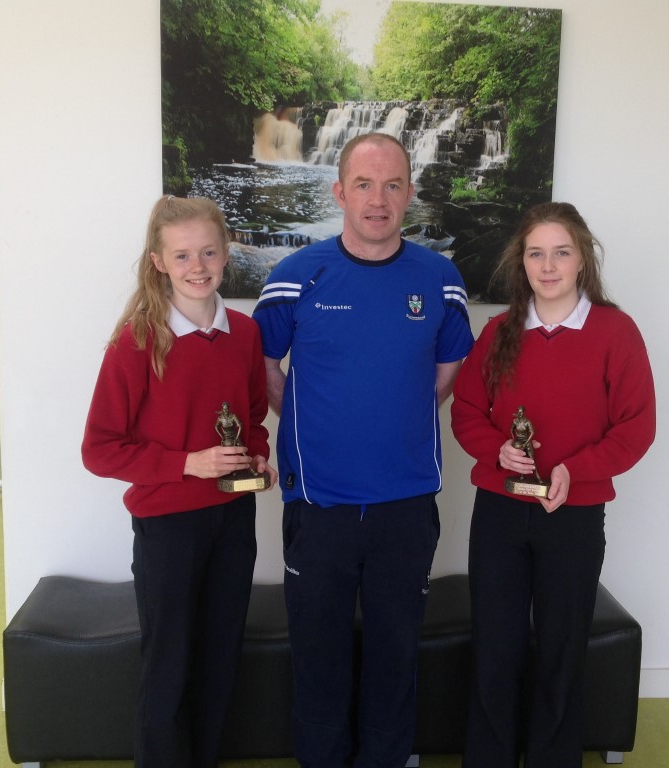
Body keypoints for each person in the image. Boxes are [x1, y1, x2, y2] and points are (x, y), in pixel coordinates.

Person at [252, 132, 474, 768]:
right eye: (365, 185)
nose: (379, 200)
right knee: (318, 657)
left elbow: (447, 369)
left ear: (409, 192)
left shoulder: (440, 279)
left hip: (406, 504)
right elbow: (264, 365)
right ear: (339, 192)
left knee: (394, 656)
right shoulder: (295, 275)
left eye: (392, 185)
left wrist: (398, 417)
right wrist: (308, 420)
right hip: (318, 504)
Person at [450, 202, 656, 768]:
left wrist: (575, 470)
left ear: (582, 258)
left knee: (562, 652)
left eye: (561, 253)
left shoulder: (615, 332)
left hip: (573, 516)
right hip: (499, 512)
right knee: (495, 647)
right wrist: (497, 450)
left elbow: (636, 427)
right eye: (536, 253)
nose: (548, 266)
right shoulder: (498, 332)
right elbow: (466, 412)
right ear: (521, 262)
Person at [81, 195, 276, 768]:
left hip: (233, 520)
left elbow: (253, 419)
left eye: (209, 252)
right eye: (183, 255)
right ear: (159, 262)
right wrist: (188, 464)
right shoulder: (136, 342)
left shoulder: (245, 334)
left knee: (220, 659)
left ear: (226, 254)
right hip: (167, 527)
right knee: (168, 666)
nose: (198, 266)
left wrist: (258, 458)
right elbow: (99, 450)